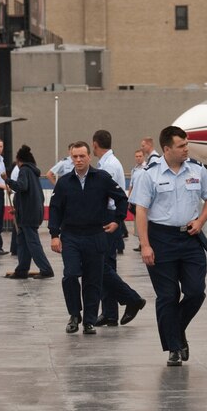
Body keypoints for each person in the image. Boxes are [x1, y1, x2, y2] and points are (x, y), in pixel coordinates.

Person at [132, 126, 207, 366]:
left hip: (190, 237)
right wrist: (145, 245)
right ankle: (173, 347)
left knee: (195, 291)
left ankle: (176, 331)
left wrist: (201, 221)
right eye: (181, 146)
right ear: (167, 149)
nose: (186, 149)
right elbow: (141, 211)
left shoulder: (197, 169)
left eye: (186, 144)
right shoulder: (149, 174)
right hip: (161, 239)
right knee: (168, 296)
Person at [48, 141, 128, 335]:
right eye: (74, 156)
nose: (78, 160)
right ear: (71, 158)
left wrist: (117, 221)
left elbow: (122, 198)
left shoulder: (102, 178)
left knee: (93, 280)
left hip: (95, 235)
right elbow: (55, 209)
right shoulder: (64, 182)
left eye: (82, 156)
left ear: (89, 157)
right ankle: (75, 315)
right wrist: (54, 235)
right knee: (70, 275)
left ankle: (89, 321)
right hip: (71, 236)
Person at [92, 130, 147, 328]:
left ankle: (132, 299)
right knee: (106, 266)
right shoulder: (108, 162)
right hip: (109, 215)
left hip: (108, 216)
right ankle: (110, 313)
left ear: (95, 144)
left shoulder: (108, 165)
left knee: (102, 266)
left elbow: (106, 194)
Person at [2, 145, 54, 279]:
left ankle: (46, 269)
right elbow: (30, 195)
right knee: (23, 242)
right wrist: (18, 209)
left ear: (20, 161)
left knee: (32, 243)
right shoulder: (32, 172)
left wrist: (7, 180)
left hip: (28, 215)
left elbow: (22, 187)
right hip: (31, 212)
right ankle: (22, 270)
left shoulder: (24, 170)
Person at [127, 149, 146, 252]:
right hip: (135, 200)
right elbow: (131, 185)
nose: (138, 158)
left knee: (145, 222)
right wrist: (129, 199)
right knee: (138, 223)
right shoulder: (134, 170)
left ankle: (145, 243)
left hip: (144, 200)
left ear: (143, 157)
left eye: (140, 156)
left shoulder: (147, 168)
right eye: (136, 156)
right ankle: (141, 243)